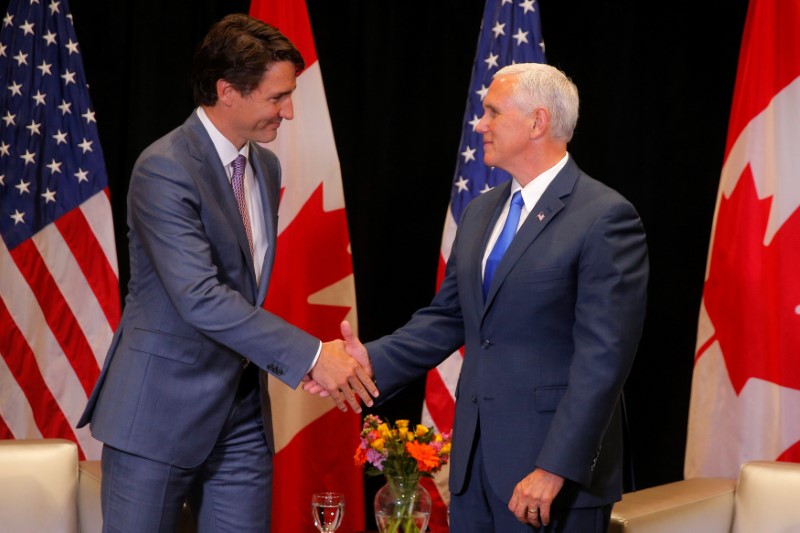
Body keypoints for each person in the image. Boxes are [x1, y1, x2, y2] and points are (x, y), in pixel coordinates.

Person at [311, 63, 648, 532]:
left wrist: (554, 468)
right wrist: (366, 361)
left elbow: (604, 360)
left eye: (492, 112)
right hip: (474, 467)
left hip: (549, 475)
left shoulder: (604, 217)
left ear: (538, 121)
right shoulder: (482, 211)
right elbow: (448, 317)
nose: (480, 124)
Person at [77, 14, 377, 532]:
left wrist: (306, 361)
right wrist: (311, 355)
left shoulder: (266, 167)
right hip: (158, 413)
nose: (288, 111)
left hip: (241, 416)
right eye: (277, 97)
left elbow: (244, 287)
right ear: (227, 91)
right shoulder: (164, 167)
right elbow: (200, 296)